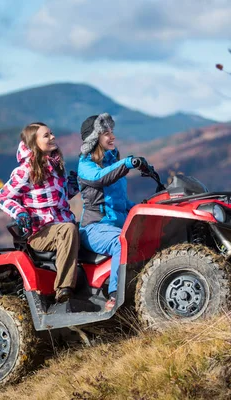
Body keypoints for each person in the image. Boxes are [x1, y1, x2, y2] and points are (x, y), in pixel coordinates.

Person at [0, 122, 80, 303]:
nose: (52, 137)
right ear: (34, 143)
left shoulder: (56, 167)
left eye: (52, 133)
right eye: (46, 136)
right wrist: (19, 213)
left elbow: (63, 196)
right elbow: (2, 197)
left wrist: (75, 184)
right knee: (68, 230)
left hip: (62, 225)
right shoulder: (25, 170)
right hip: (40, 233)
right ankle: (63, 289)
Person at [77, 113, 148, 311]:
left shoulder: (110, 164)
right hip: (95, 228)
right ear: (94, 138)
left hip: (119, 223)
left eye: (112, 132)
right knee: (121, 242)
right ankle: (115, 296)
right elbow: (100, 178)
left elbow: (122, 202)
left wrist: (146, 209)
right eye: (106, 133)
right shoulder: (86, 165)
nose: (112, 137)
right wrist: (126, 163)